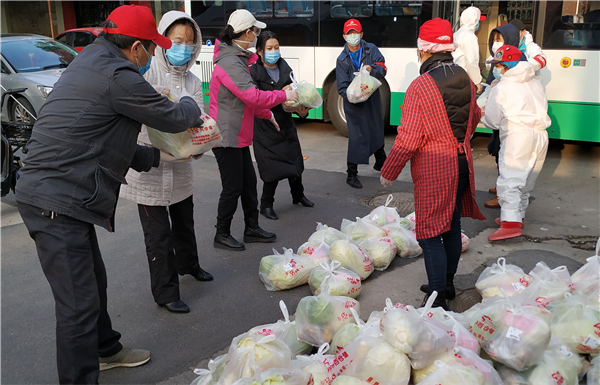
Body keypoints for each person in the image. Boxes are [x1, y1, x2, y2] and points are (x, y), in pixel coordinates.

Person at [14, 5, 204, 384]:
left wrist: (156, 156)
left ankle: (106, 350)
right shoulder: (118, 74)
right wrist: (192, 104)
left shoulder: (89, 63)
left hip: (63, 194)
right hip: (55, 198)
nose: (154, 55)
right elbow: (174, 117)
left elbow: (98, 136)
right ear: (135, 48)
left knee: (92, 280)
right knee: (78, 306)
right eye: (151, 47)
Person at [380, 18, 485, 310]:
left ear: (423, 49)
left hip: (436, 167)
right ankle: (446, 284)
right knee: (450, 227)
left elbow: (408, 138)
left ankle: (437, 297)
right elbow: (475, 117)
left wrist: (389, 171)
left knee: (429, 234)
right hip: (462, 162)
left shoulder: (422, 85)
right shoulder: (465, 77)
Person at [120, 11, 212, 315]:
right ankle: (166, 292)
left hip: (181, 166)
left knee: (185, 221)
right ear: (161, 40)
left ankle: (191, 265)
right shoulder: (145, 74)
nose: (182, 47)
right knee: (158, 234)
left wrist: (200, 145)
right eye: (176, 41)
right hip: (149, 167)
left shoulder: (194, 81)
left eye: (188, 42)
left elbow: (199, 117)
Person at [209, 9, 299, 251]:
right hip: (225, 136)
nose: (256, 36)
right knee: (233, 187)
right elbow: (251, 95)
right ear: (248, 33)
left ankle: (251, 228)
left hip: (237, 135)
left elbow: (248, 100)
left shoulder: (237, 58)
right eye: (255, 31)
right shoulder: (229, 62)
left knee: (248, 184)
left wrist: (267, 114)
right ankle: (222, 233)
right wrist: (284, 95)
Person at [482, 45, 551, 241]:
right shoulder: (535, 82)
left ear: (506, 66)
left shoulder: (502, 87)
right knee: (527, 181)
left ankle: (510, 224)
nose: (496, 69)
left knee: (510, 180)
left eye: (498, 65)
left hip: (517, 135)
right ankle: (517, 217)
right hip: (540, 135)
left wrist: (483, 115)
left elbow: (493, 121)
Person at [250, 31, 314, 221]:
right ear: (260, 51)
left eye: (276, 47)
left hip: (285, 123)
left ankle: (298, 195)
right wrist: (281, 92)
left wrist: (302, 111)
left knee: (294, 161)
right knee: (272, 168)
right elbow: (255, 100)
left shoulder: (286, 68)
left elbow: (295, 97)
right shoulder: (253, 73)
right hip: (265, 125)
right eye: (269, 48)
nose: (274, 52)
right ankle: (266, 204)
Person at [336, 18, 387, 189]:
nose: (353, 36)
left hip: (371, 99)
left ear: (362, 34)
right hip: (354, 104)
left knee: (376, 129)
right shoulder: (342, 59)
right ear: (344, 36)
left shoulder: (370, 49)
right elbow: (341, 87)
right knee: (357, 137)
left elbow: (383, 68)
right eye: (349, 34)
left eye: (355, 33)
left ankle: (381, 161)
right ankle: (351, 174)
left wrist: (373, 68)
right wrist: (353, 93)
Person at [481, 23, 523, 209]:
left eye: (501, 39)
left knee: (506, 158)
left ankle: (504, 198)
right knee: (499, 154)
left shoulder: (519, 63)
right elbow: (490, 85)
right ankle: (501, 189)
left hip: (510, 121)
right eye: (495, 39)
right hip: (501, 119)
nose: (497, 44)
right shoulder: (497, 61)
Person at [452, 6, 486, 93]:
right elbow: (471, 61)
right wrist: (477, 81)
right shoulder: (470, 36)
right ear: (474, 22)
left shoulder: (456, 34)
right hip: (464, 78)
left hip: (454, 75)